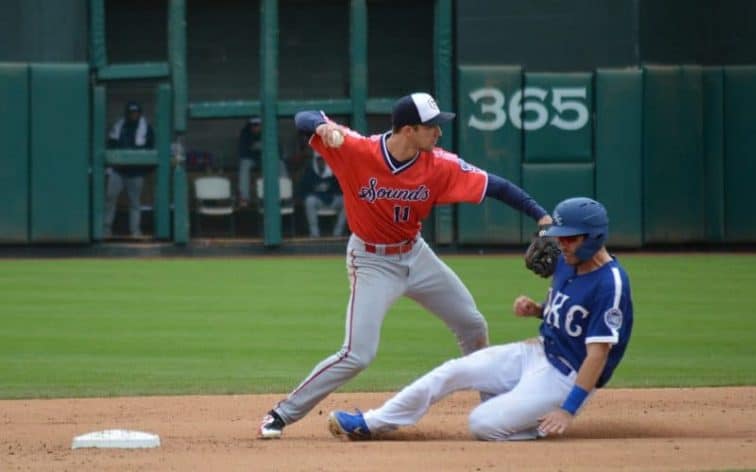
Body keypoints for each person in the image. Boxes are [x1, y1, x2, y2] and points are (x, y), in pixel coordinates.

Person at [258, 92, 553, 439]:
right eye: (432, 127)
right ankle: (281, 413)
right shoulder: (356, 150)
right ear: (408, 130)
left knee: (472, 325)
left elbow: (498, 188)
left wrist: (542, 216)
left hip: (416, 255)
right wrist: (323, 126)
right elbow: (303, 115)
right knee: (357, 353)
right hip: (371, 262)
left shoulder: (440, 165)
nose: (439, 133)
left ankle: (497, 409)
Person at [328, 197, 634, 441]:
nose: (561, 245)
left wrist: (568, 410)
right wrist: (539, 310)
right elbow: (574, 313)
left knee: (483, 424)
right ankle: (370, 423)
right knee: (450, 372)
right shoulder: (569, 262)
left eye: (570, 238)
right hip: (537, 351)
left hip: (565, 377)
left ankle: (537, 422)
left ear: (594, 237)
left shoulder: (611, 284)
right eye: (560, 238)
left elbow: (598, 355)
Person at [104, 101, 155, 238]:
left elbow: (151, 148)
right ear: (127, 113)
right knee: (110, 199)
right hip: (118, 170)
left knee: (135, 202)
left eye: (136, 112)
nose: (134, 115)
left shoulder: (146, 128)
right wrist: (111, 166)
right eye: (131, 112)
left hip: (136, 172)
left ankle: (135, 231)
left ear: (140, 113)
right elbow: (111, 144)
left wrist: (146, 169)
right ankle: (106, 229)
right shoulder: (119, 126)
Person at [299, 151, 347, 237]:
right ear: (316, 160)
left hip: (333, 200)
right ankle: (314, 235)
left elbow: (341, 189)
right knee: (309, 201)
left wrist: (329, 188)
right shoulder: (310, 172)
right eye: (319, 160)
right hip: (317, 202)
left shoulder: (334, 171)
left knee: (347, 201)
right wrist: (317, 189)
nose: (321, 162)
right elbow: (303, 190)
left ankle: (337, 234)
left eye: (323, 159)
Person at [237, 116, 262, 207]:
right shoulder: (245, 133)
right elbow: (243, 153)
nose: (256, 127)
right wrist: (255, 148)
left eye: (258, 125)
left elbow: (278, 151)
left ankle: (284, 195)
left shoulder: (269, 130)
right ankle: (245, 198)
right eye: (254, 125)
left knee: (279, 163)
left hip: (267, 159)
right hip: (251, 159)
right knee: (244, 164)